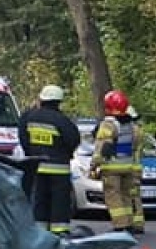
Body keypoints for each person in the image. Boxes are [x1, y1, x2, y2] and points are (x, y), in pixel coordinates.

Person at [17, 85, 82, 234]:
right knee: (60, 201)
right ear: (58, 101)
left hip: (37, 166)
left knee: (40, 200)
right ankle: (59, 231)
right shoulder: (62, 120)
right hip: (58, 168)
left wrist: (31, 153)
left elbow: (23, 138)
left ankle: (40, 231)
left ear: (42, 99)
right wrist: (65, 153)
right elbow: (73, 139)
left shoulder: (28, 117)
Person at [90, 90, 145, 235]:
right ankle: (129, 223)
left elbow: (102, 148)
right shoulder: (134, 127)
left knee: (113, 196)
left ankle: (120, 225)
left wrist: (94, 165)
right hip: (129, 166)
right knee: (127, 195)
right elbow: (136, 146)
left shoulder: (108, 125)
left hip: (111, 167)